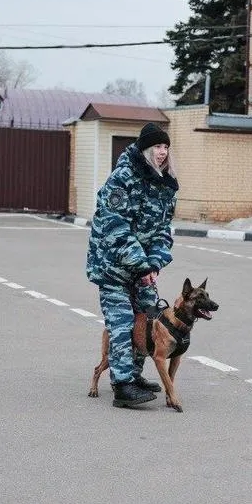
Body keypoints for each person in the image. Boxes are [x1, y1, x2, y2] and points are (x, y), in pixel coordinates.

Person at [86, 122, 179, 408]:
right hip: (113, 266)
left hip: (143, 268)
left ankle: (135, 376)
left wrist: (154, 263)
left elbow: (163, 231)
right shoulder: (122, 178)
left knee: (147, 319)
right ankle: (122, 385)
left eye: (165, 147)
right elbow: (115, 227)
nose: (162, 152)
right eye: (157, 147)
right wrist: (142, 264)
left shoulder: (165, 184)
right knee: (122, 322)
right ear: (145, 149)